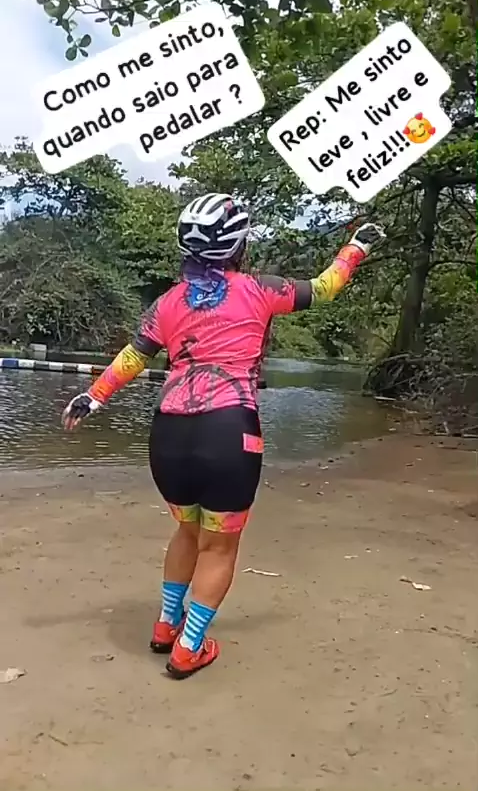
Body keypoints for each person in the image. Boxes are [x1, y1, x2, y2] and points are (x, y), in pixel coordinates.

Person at [62, 193, 385, 679]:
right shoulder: (261, 290)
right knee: (219, 546)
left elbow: (133, 356)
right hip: (229, 434)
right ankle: (189, 647)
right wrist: (356, 247)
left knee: (187, 531)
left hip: (168, 435)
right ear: (239, 244)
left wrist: (93, 396)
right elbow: (324, 288)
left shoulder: (167, 303)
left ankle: (166, 625)